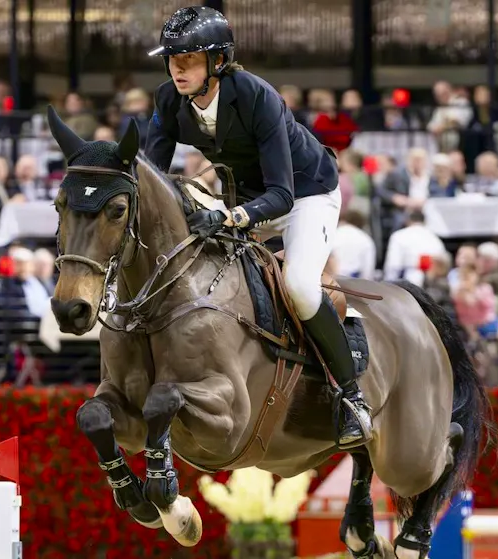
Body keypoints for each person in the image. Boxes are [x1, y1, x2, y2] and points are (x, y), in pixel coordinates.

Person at [144, 6, 371, 449]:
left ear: (218, 62)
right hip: (245, 197)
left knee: (301, 286)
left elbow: (282, 195)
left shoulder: (255, 95)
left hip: (305, 195)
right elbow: (152, 172)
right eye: (172, 59)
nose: (177, 69)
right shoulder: (169, 99)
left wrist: (229, 217)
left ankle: (351, 397)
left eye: (188, 59)